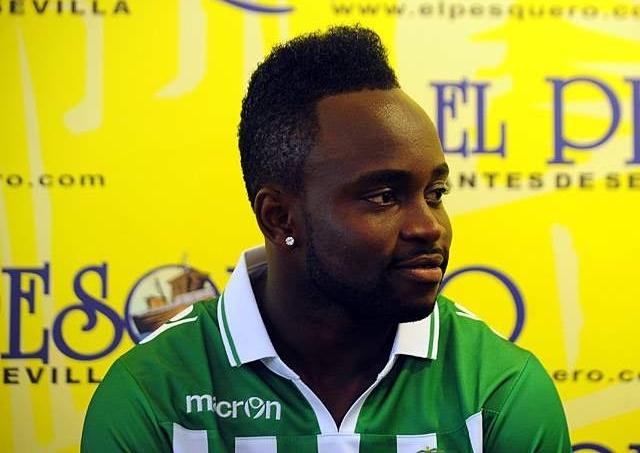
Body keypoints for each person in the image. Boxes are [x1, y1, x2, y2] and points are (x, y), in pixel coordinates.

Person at [81, 25, 571, 452]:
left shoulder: (497, 388)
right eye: (384, 196)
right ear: (279, 218)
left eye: (435, 193)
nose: (429, 227)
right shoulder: (153, 393)